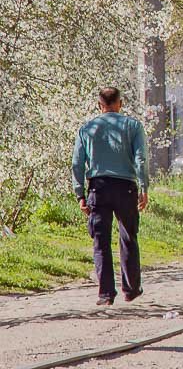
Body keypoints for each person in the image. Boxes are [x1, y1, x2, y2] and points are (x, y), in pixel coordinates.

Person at [71, 87, 149, 305]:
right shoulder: (133, 126)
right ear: (120, 104)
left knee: (100, 241)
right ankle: (131, 288)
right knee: (128, 237)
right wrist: (144, 188)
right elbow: (141, 159)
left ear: (99, 105)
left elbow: (77, 164)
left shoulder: (87, 129)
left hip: (99, 188)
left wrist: (80, 194)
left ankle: (106, 294)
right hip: (126, 187)